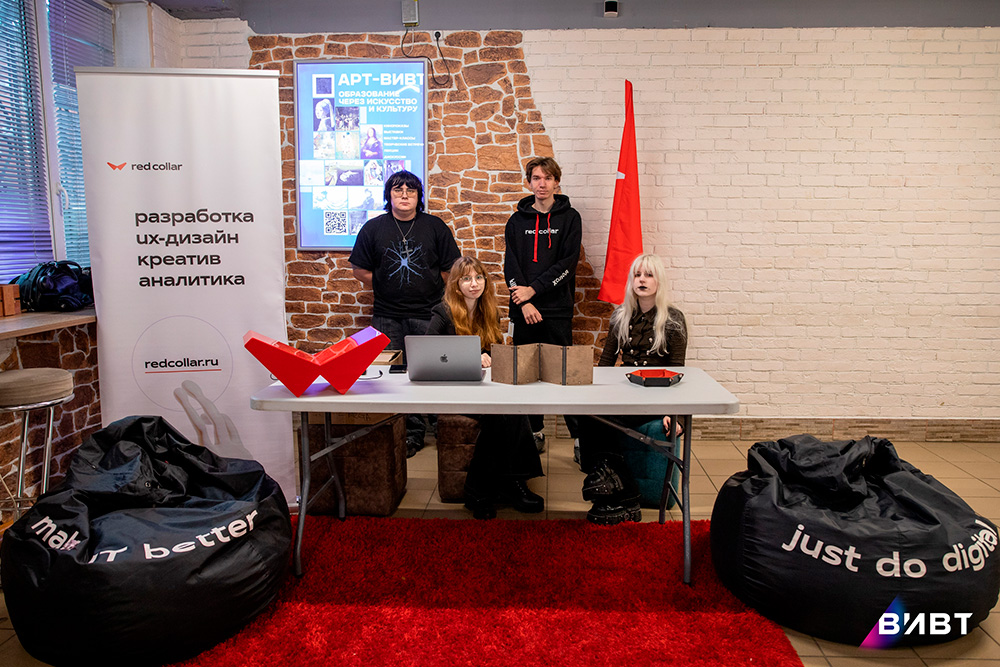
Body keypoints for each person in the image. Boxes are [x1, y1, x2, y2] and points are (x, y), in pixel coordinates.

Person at [350, 170, 460, 457]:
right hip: (387, 316)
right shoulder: (373, 228)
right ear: (389, 195)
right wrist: (384, 284)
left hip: (429, 315)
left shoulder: (435, 226)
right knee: (395, 377)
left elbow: (451, 269)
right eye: (398, 190)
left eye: (410, 190)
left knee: (433, 373)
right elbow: (359, 269)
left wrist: (434, 291)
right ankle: (411, 433)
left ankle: (442, 427)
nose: (404, 195)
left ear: (418, 196)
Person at [426, 256, 544, 520]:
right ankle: (508, 484)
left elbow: (492, 351)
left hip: (481, 386)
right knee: (501, 416)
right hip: (453, 389)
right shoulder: (443, 312)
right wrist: (471, 357)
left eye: (479, 277)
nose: (474, 284)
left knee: (512, 410)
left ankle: (487, 488)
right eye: (467, 278)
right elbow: (428, 353)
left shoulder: (489, 310)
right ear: (456, 285)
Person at [579, 253, 688, 525]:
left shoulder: (673, 319)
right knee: (585, 414)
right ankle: (623, 493)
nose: (642, 280)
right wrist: (589, 394)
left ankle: (617, 493)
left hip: (656, 396)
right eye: (637, 275)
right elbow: (606, 362)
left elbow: (678, 372)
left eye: (649, 275)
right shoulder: (620, 314)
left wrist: (675, 414)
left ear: (659, 281)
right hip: (625, 393)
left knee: (599, 422)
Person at [504, 156, 582, 453]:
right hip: (523, 311)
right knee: (526, 376)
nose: (542, 184)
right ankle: (535, 431)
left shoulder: (570, 218)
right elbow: (510, 266)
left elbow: (568, 265)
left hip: (557, 310)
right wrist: (523, 302)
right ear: (529, 183)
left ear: (556, 182)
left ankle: (580, 438)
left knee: (565, 377)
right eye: (536, 178)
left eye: (548, 178)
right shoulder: (516, 221)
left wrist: (533, 290)